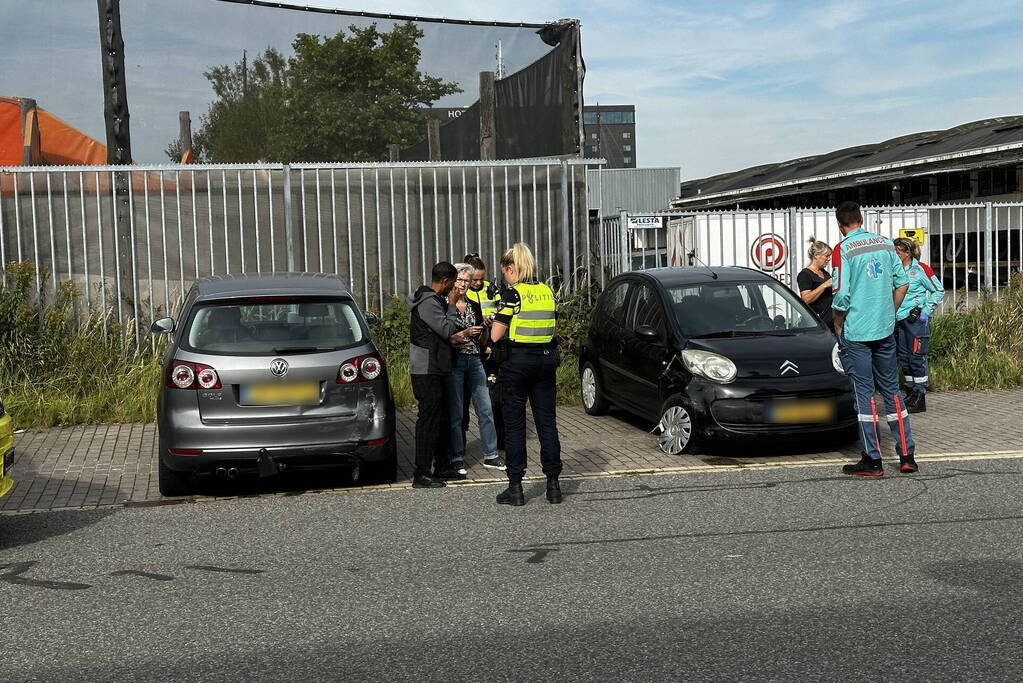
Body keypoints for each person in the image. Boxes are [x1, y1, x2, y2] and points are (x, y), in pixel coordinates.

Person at [831, 201, 918, 476]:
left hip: (856, 331)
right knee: (892, 391)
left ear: (840, 224)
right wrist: (889, 311)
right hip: (883, 329)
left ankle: (872, 459)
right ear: (861, 218)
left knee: (865, 394)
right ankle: (907, 456)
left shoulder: (843, 249)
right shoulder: (884, 244)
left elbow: (841, 294)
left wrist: (837, 323)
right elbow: (902, 283)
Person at [489, 243, 563, 506]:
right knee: (547, 424)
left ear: (511, 269)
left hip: (517, 364)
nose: (504, 278)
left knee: (515, 426)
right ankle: (553, 485)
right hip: (545, 362)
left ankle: (516, 487)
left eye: (504, 273)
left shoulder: (512, 294)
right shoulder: (547, 291)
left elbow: (496, 335)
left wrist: (494, 321)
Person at [405, 262, 480, 488]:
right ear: (446, 281)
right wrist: (451, 305)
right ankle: (422, 474)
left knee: (444, 419)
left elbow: (441, 334)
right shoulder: (429, 302)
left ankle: (442, 467)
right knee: (429, 421)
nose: (454, 289)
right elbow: (446, 329)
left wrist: (452, 339)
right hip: (427, 369)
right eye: (452, 284)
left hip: (438, 366)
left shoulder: (433, 300)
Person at [446, 262, 504, 474]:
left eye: (466, 281)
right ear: (453, 281)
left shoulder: (473, 305)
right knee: (457, 412)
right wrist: (460, 335)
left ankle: (491, 454)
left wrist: (485, 328)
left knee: (485, 409)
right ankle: (457, 457)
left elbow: (482, 341)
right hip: (455, 362)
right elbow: (443, 335)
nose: (462, 284)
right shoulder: (445, 304)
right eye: (459, 280)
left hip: (475, 360)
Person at [893, 237, 944, 414]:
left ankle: (920, 396)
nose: (895, 254)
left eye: (898, 251)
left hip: (916, 321)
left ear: (907, 253)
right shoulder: (895, 269)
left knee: (916, 358)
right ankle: (910, 392)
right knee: (905, 358)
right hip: (899, 320)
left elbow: (938, 290)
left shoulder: (920, 269)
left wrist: (926, 311)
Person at [462, 253, 506, 454]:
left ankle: (499, 439)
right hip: (471, 348)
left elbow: (501, 310)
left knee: (494, 397)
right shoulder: (463, 291)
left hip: (491, 346)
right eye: (475, 279)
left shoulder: (491, 288)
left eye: (481, 278)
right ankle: (460, 442)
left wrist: (493, 318)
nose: (478, 283)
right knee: (463, 400)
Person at [796, 237, 835, 331]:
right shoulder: (805, 274)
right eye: (826, 256)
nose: (829, 259)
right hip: (817, 324)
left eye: (829, 256)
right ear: (816, 255)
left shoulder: (825, 273)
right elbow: (806, 299)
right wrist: (824, 285)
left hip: (831, 323)